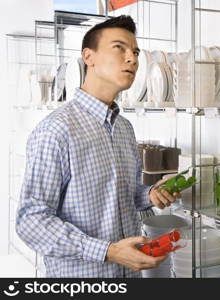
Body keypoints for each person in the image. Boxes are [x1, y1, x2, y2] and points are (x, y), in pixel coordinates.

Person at [15, 15, 180, 278]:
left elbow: (117, 195)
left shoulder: (124, 128)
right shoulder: (56, 130)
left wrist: (147, 195)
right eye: (120, 48)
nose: (133, 59)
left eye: (135, 52)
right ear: (88, 57)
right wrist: (108, 251)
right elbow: (31, 222)